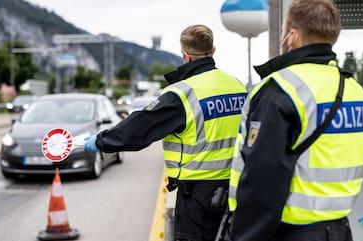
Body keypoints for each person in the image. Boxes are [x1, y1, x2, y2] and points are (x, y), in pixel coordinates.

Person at [84, 24, 247, 241]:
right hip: (237, 190)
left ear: (185, 55)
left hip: (198, 197)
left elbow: (141, 128)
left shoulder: (182, 94)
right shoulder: (237, 86)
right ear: (213, 50)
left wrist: (100, 141)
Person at [224, 0, 363, 241]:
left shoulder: (280, 90)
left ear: (291, 35)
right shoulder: (356, 92)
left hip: (291, 232)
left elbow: (262, 179)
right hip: (341, 229)